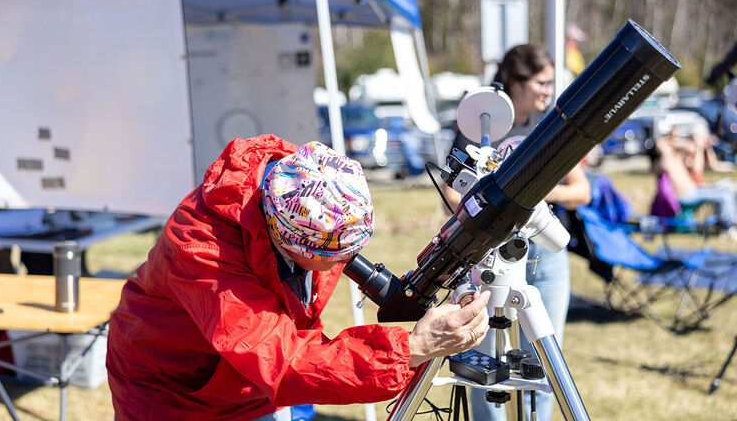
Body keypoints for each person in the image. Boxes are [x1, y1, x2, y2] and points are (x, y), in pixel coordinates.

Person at [106, 135, 492, 421]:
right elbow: (280, 361)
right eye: (332, 258)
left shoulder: (307, 184)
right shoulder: (202, 250)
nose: (344, 266)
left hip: (257, 378)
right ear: (285, 240)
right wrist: (411, 348)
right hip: (175, 391)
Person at [443, 44, 591, 421]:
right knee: (483, 366)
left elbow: (581, 191)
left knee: (541, 364)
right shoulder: (482, 122)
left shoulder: (551, 125)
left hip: (544, 258)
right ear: (515, 82)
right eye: (541, 83)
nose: (547, 91)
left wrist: (526, 195)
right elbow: (451, 190)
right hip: (491, 259)